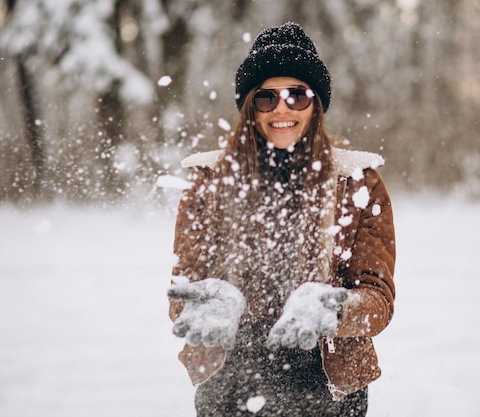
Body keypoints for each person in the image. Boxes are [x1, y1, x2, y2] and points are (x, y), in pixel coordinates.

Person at [168, 22, 395, 417]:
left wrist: (335, 310)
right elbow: (183, 292)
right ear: (249, 106)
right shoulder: (209, 182)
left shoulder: (357, 183)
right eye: (266, 97)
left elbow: (378, 300)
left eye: (297, 95)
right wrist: (206, 306)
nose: (282, 108)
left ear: (316, 104)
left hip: (328, 387)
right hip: (230, 384)